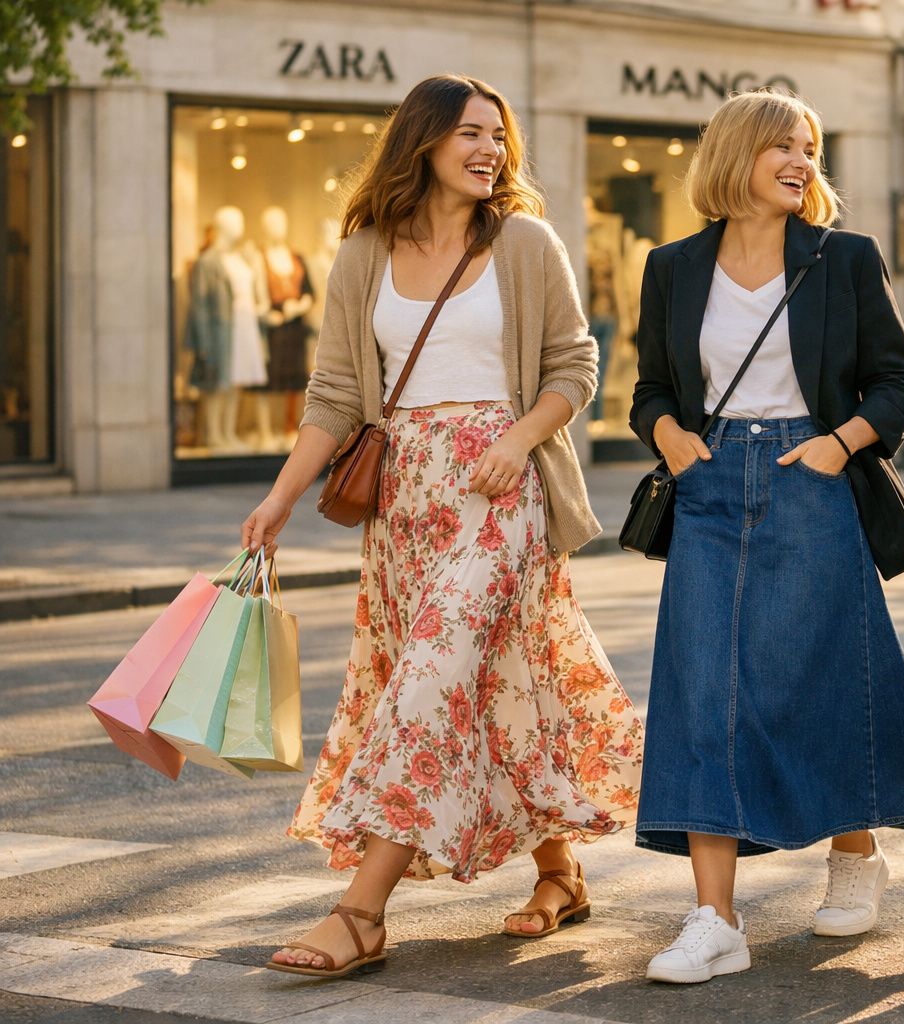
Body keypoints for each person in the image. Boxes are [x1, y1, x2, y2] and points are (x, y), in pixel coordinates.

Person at [241, 73, 643, 979]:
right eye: (470, 133)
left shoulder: (525, 243)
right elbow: (335, 393)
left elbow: (575, 366)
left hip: (503, 493)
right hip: (405, 505)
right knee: (489, 683)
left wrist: (518, 440)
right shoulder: (364, 253)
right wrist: (280, 497)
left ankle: (360, 914)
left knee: (431, 679)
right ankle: (560, 872)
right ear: (420, 141)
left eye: (498, 136)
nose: (490, 150)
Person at [629, 89, 904, 985]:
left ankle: (854, 856)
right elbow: (650, 388)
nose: (801, 161)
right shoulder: (672, 266)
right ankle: (715, 918)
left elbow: (896, 385)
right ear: (734, 154)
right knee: (702, 693)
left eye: (808, 148)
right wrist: (670, 437)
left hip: (810, 476)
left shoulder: (843, 258)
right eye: (782, 145)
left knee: (824, 675)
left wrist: (837, 445)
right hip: (708, 483)